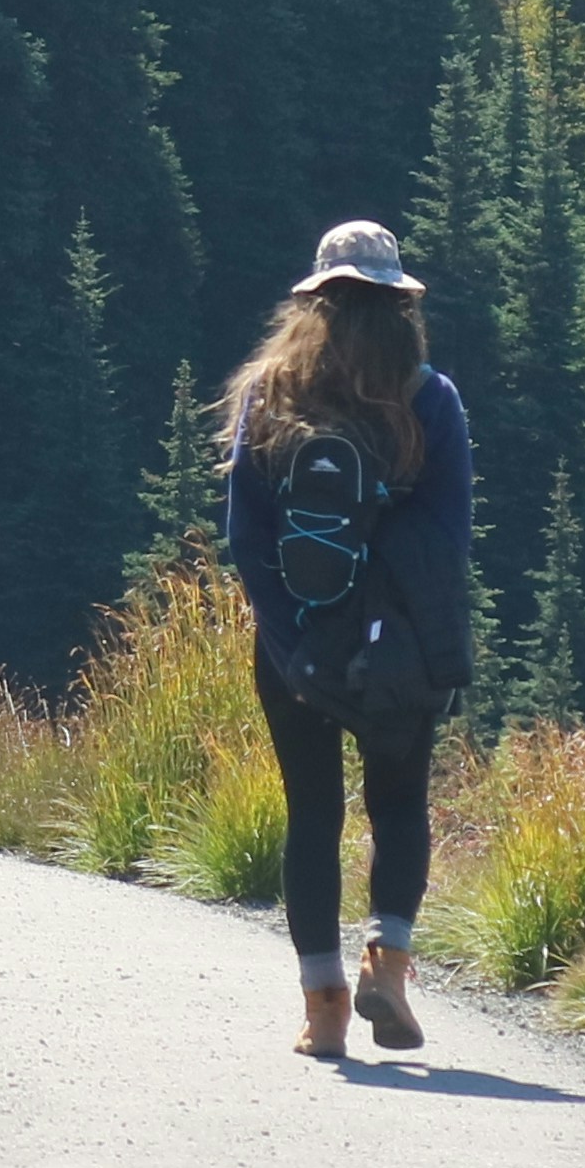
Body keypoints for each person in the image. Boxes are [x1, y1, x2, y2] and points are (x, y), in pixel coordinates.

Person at [216, 219, 473, 1061]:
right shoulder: (430, 398)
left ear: (315, 303)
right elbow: (449, 535)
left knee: (312, 816)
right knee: (398, 806)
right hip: (395, 648)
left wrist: (290, 643)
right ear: (400, 304)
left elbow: (246, 537)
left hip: (297, 643)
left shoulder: (270, 393)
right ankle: (387, 966)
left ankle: (322, 1009)